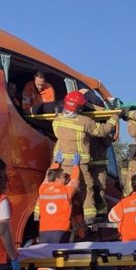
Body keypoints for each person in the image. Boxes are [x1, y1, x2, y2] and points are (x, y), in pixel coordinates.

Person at [52, 90, 119, 224]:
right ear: (79, 107)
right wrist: (114, 118)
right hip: (80, 164)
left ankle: (55, 214)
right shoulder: (84, 121)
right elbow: (102, 131)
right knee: (87, 189)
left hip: (62, 163)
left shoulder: (57, 120)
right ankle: (89, 218)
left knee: (60, 190)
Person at [35, 152, 80, 270]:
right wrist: (76, 166)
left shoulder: (43, 189)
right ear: (58, 179)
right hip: (59, 232)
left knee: (43, 260)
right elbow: (75, 181)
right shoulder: (65, 191)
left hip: (44, 231)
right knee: (54, 264)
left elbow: (47, 178)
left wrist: (55, 163)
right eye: (63, 177)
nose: (65, 179)